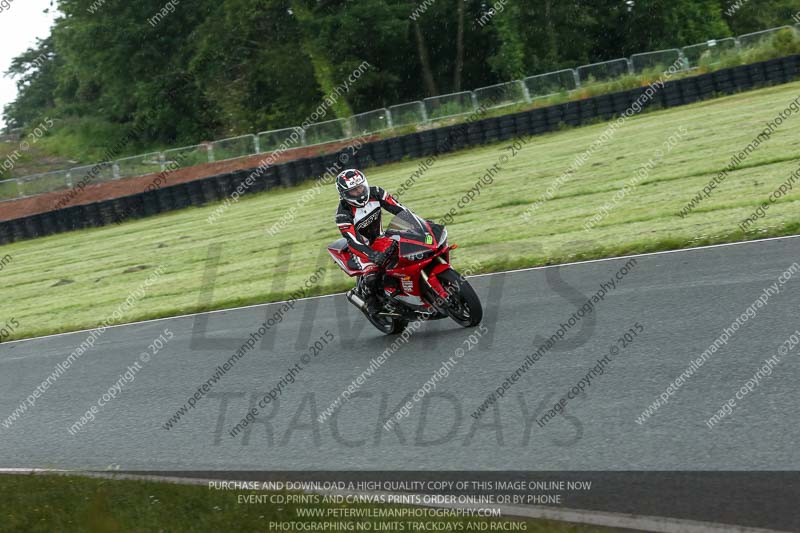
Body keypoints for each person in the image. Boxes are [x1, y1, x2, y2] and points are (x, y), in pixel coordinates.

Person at [335, 169, 407, 313]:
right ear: (344, 194)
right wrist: (372, 255)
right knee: (372, 276)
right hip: (361, 248)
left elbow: (400, 210)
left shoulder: (377, 192)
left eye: (361, 187)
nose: (360, 192)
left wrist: (420, 223)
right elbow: (353, 241)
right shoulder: (343, 214)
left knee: (408, 252)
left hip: (381, 238)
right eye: (354, 190)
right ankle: (370, 302)